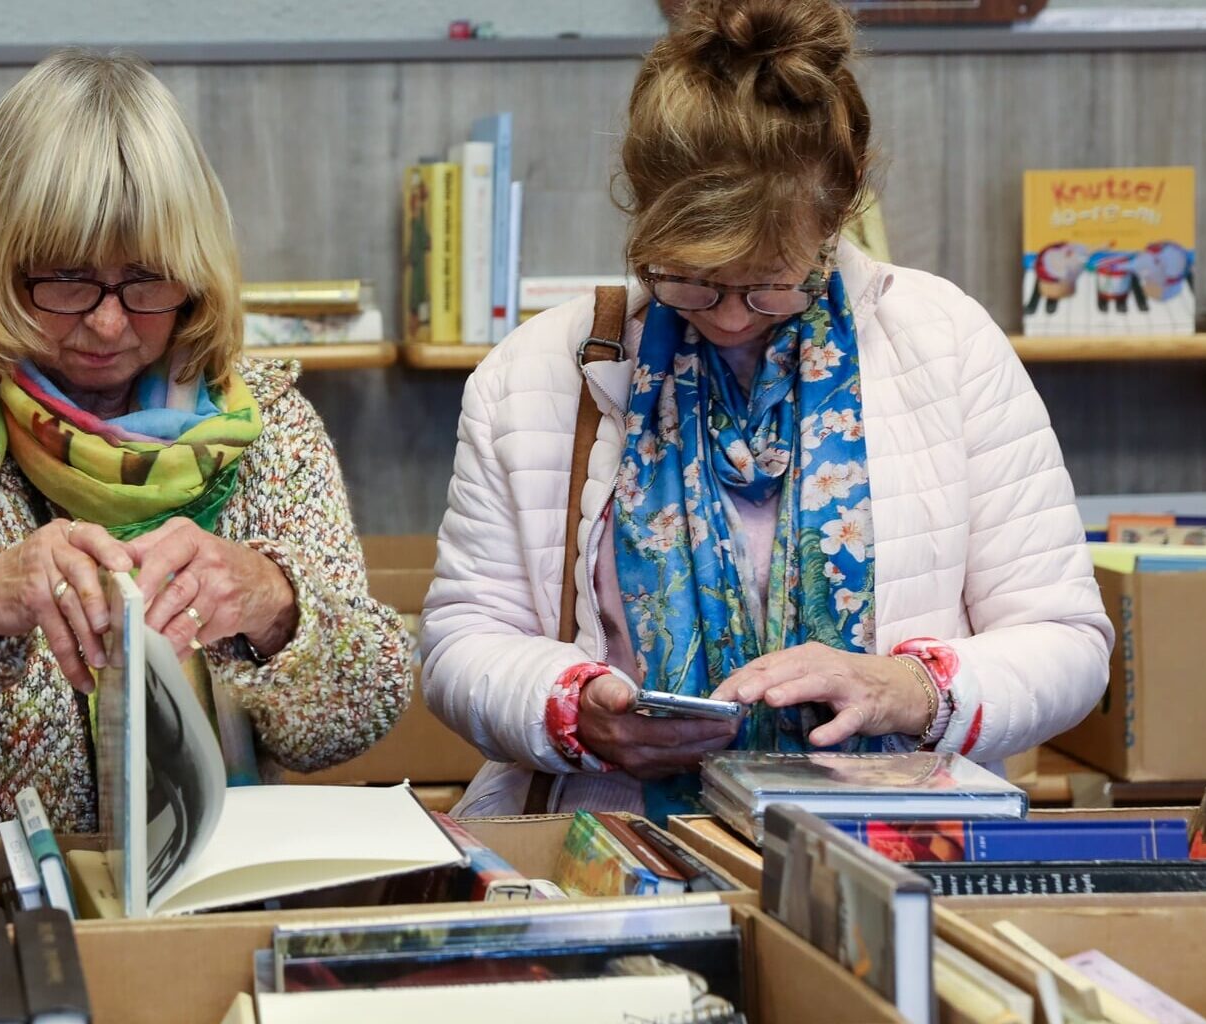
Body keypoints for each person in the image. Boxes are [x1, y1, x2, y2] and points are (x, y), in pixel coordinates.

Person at [421, 0, 1111, 820]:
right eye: (689, 279)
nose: (729, 316)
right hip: (614, 840)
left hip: (894, 840)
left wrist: (905, 689)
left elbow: (1068, 642)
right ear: (642, 213)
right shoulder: (535, 372)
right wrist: (573, 710)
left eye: (771, 283)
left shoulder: (945, 344)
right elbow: (461, 642)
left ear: (839, 213)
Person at [0, 51, 412, 858]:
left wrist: (275, 604)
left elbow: (360, 714)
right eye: (66, 280)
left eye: (147, 281)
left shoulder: (266, 429)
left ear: (195, 276)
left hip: (196, 900)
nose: (107, 323)